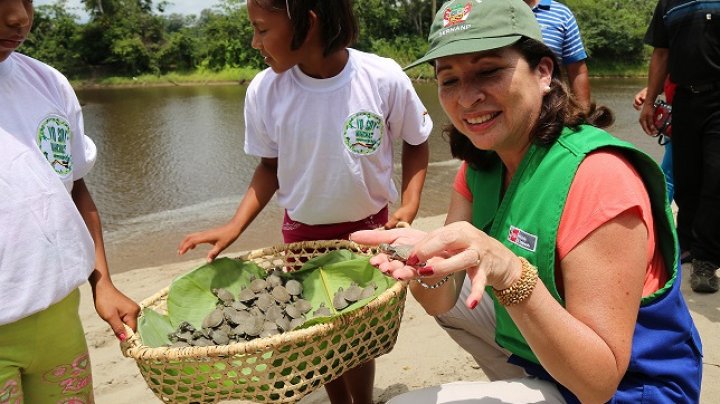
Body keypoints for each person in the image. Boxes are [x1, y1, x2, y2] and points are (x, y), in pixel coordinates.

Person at [350, 0, 702, 402]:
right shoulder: (480, 164)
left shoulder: (600, 177)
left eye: (488, 71)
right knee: (459, 283)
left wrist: (510, 273)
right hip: (560, 360)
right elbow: (442, 301)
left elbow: (599, 384)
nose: (466, 99)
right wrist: (423, 265)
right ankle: (530, 382)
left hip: (629, 386)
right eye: (449, 80)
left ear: (544, 71)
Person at [177, 0, 432, 402]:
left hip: (370, 231)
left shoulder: (381, 77)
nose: (254, 41)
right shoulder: (266, 90)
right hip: (302, 236)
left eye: (262, 29)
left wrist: (410, 204)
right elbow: (268, 168)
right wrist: (234, 226)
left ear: (306, 25)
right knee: (320, 330)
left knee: (358, 330)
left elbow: (416, 140)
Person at [0, 0, 141, 402]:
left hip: (59, 319)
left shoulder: (47, 83)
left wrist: (103, 282)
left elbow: (74, 188)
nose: (18, 17)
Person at [640, 0, 720, 294]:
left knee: (716, 176)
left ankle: (706, 258)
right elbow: (661, 54)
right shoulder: (669, 4)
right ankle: (685, 245)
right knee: (687, 177)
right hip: (684, 100)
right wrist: (649, 101)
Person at [523, 0, 591, 111]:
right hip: (505, 107)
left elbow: (577, 70)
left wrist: (583, 115)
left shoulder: (562, 14)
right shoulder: (494, 11)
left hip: (551, 110)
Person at [633, 77, 676, 203]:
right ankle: (660, 217)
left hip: (705, 116)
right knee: (668, 176)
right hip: (676, 120)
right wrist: (652, 91)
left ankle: (659, 218)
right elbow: (674, 69)